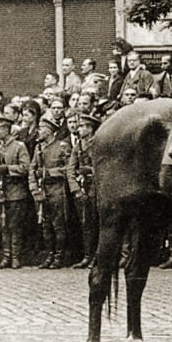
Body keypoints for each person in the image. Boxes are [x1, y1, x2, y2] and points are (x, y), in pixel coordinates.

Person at [0, 113, 31, 269]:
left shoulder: (19, 146)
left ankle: (15, 257)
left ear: (6, 129)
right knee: (3, 226)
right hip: (1, 193)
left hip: (16, 191)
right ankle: (6, 256)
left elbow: (26, 168)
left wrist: (8, 169)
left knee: (15, 225)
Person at [30, 112, 71, 269]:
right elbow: (32, 170)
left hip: (57, 190)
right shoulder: (38, 148)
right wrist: (34, 190)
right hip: (43, 191)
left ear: (49, 131)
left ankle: (59, 257)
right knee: (46, 226)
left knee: (58, 225)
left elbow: (68, 169)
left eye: (41, 129)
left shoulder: (61, 147)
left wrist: (49, 173)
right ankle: (49, 255)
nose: (39, 132)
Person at [67, 113, 99, 269]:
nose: (79, 129)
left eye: (82, 126)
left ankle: (97, 257)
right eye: (79, 126)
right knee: (86, 224)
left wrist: (91, 170)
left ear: (90, 128)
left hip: (96, 187)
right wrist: (75, 190)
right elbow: (70, 169)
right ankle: (87, 256)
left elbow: (104, 167)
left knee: (97, 222)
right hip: (83, 188)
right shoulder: (77, 146)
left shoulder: (98, 143)